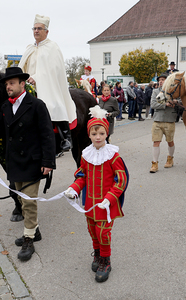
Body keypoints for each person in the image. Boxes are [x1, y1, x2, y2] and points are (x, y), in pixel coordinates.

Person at [0, 67, 56, 262]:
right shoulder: (6, 107)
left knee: (29, 202)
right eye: (6, 84)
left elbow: (47, 134)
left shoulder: (37, 105)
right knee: (22, 200)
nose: (8, 87)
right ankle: (34, 231)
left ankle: (29, 238)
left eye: (12, 83)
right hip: (14, 162)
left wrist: (48, 161)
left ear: (22, 84)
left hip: (32, 161)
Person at [64, 106, 129, 283]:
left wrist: (109, 199)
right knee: (93, 231)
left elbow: (121, 181)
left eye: (101, 133)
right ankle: (98, 255)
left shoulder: (113, 156)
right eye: (94, 134)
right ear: (89, 135)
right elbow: (82, 177)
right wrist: (74, 189)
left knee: (104, 233)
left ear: (106, 134)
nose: (98, 137)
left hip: (106, 205)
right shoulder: (86, 155)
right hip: (91, 205)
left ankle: (106, 261)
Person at [19, 14, 76, 151]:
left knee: (54, 105)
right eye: (34, 28)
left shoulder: (52, 47)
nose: (36, 31)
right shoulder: (29, 48)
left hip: (48, 86)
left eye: (39, 28)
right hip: (28, 86)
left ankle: (66, 138)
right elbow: (22, 67)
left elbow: (54, 69)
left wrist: (37, 77)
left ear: (46, 31)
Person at [150, 73, 180, 173]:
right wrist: (166, 104)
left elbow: (180, 101)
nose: (161, 81)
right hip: (157, 120)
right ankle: (154, 163)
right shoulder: (155, 91)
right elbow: (153, 104)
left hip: (170, 119)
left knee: (170, 141)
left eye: (163, 79)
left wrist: (175, 101)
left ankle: (170, 158)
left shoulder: (174, 91)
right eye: (160, 80)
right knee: (156, 141)